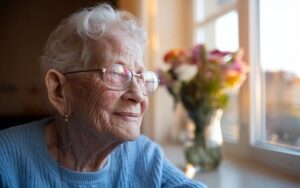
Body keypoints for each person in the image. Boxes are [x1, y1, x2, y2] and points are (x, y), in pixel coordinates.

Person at [0, 3, 207, 188]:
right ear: (59, 91)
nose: (138, 95)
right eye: (117, 74)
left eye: (141, 77)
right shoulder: (6, 158)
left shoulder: (146, 156)